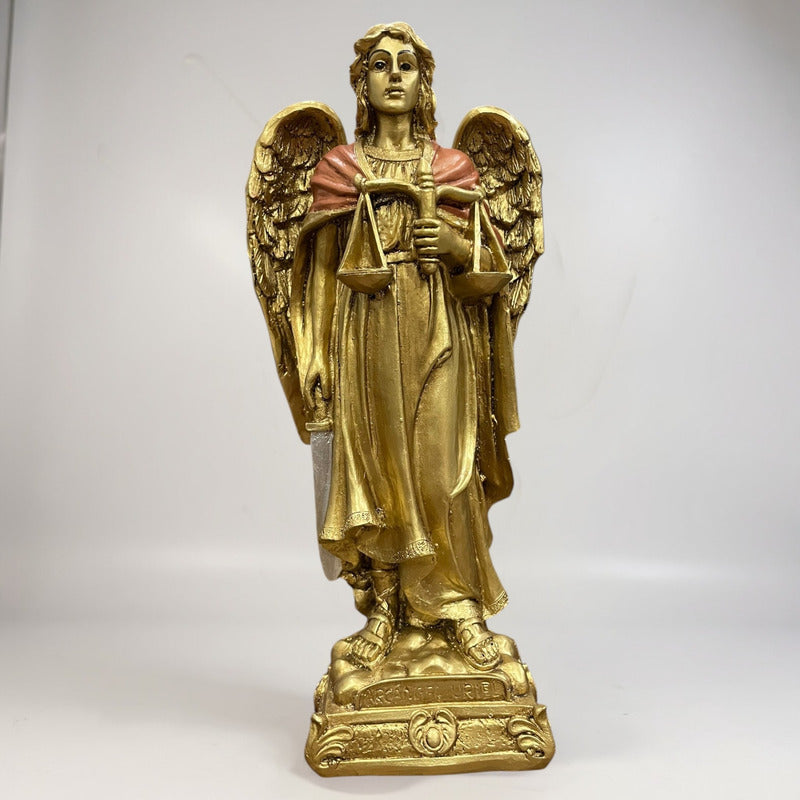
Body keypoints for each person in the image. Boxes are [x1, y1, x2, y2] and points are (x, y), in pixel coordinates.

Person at [290, 22, 520, 671]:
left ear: (424, 83)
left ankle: (460, 607)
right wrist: (313, 354)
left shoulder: (454, 169)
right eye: (380, 65)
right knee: (378, 464)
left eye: (407, 65)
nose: (394, 75)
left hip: (440, 327)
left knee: (447, 468)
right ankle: (386, 607)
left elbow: (490, 268)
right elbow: (319, 273)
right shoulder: (341, 170)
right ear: (361, 84)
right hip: (364, 331)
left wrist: (453, 246)